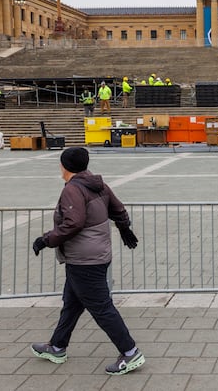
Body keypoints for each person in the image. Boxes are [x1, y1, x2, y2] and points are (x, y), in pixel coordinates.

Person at [30, 147, 145, 376]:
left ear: (65, 166)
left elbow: (73, 222)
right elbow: (118, 208)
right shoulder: (97, 184)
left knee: (102, 308)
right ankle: (57, 346)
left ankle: (130, 352)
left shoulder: (73, 189)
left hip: (85, 260)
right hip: (95, 255)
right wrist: (124, 228)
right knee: (71, 304)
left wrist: (46, 240)